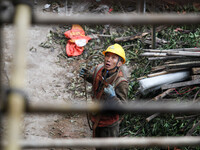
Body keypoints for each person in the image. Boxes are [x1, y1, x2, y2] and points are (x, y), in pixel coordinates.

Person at [80, 43, 128, 150]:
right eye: (107, 56)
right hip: (96, 119)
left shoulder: (121, 82)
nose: (108, 60)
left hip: (109, 126)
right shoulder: (99, 70)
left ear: (119, 63)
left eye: (113, 57)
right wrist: (88, 76)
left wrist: (113, 97)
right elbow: (97, 84)